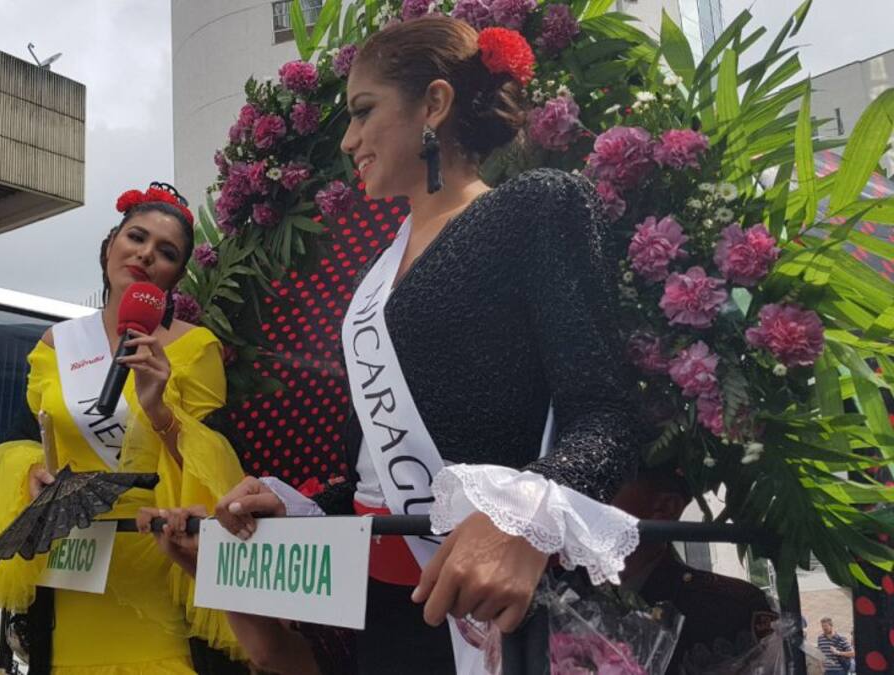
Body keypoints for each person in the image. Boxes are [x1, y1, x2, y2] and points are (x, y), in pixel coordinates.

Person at [178, 16, 643, 674]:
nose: (348, 139)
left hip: (495, 608)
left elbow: (608, 414)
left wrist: (523, 517)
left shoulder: (536, 208)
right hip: (388, 613)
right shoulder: (377, 269)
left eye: (364, 111)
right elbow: (383, 472)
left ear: (434, 104)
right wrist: (303, 506)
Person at [0, 183, 246, 674]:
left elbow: (217, 469)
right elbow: (27, 438)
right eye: (137, 237)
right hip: (71, 564)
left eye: (167, 252)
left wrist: (159, 410)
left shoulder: (195, 350)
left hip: (154, 558)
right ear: (110, 243)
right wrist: (30, 470)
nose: (146, 254)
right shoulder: (57, 344)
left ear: (175, 277)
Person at [611, 468, 777, 673]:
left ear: (666, 507)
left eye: (605, 484)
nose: (576, 500)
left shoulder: (728, 609)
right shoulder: (566, 589)